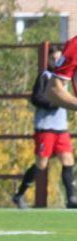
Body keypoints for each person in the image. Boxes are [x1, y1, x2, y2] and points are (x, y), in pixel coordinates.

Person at [13, 44, 73, 208]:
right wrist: (53, 103)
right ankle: (19, 195)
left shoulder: (65, 78)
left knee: (68, 160)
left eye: (59, 59)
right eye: (53, 59)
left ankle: (71, 199)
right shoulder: (45, 76)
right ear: (49, 60)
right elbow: (36, 98)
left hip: (61, 127)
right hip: (45, 127)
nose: (56, 62)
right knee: (41, 164)